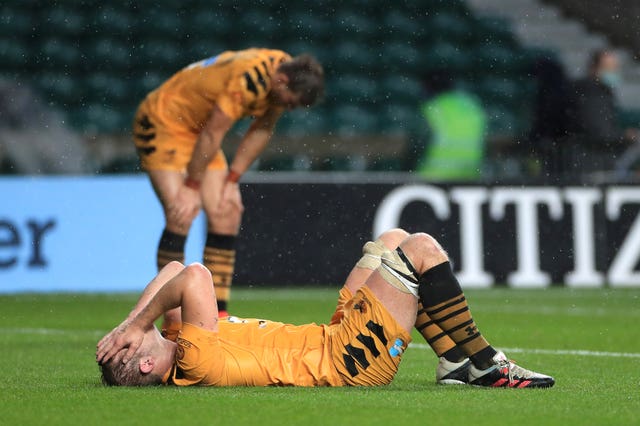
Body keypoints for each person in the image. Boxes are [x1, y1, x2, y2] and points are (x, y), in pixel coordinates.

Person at [96, 228, 555, 388]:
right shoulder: (194, 360)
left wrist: (130, 327)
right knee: (420, 250)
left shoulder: (177, 339)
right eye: (132, 345)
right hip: (352, 360)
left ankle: (452, 362)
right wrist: (137, 321)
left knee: (392, 239)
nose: (137, 334)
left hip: (334, 336)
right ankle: (485, 363)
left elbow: (173, 268)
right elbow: (193, 275)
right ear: (149, 362)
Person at [131, 48, 324, 326]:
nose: (288, 108)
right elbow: (214, 132)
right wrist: (191, 186)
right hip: (164, 120)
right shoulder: (249, 80)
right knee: (182, 212)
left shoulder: (284, 73)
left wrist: (232, 180)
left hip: (197, 129)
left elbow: (262, 128)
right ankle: (172, 317)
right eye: (290, 102)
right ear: (281, 80)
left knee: (227, 211)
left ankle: (217, 315)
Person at [565, 49, 639, 177]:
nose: (614, 72)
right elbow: (600, 133)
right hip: (590, 165)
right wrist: (625, 136)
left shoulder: (600, 93)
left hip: (592, 162)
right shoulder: (592, 95)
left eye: (615, 68)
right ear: (593, 69)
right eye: (608, 68)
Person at [415, 70, 487, 180]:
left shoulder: (433, 107)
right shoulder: (472, 104)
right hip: (470, 175)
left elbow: (418, 143)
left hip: (434, 176)